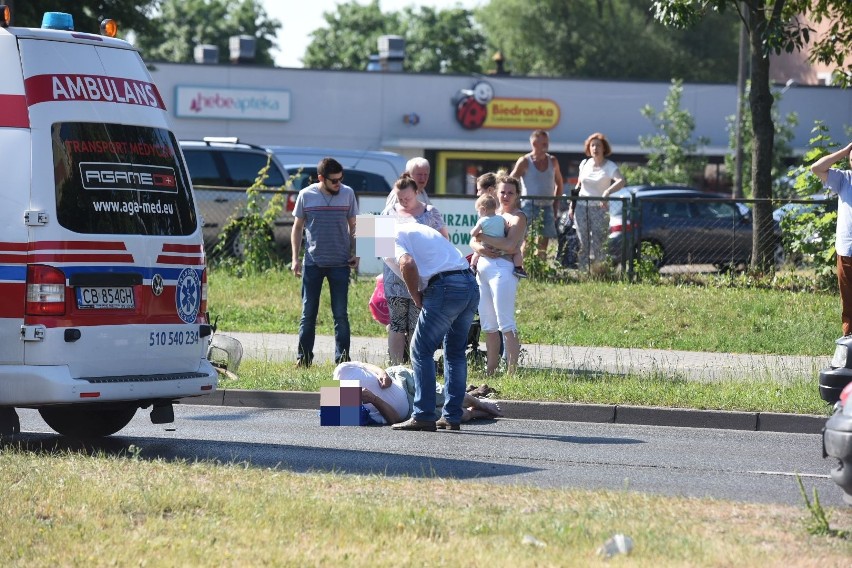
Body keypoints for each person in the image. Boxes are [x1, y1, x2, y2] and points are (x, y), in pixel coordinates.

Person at [383, 223, 479, 431]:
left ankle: (424, 414)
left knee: (420, 350)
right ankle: (452, 416)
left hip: (445, 287)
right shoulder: (415, 229)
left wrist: (416, 296)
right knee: (455, 352)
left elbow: (407, 264)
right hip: (468, 282)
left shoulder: (387, 235)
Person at [291, 157, 358, 367]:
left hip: (340, 264)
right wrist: (294, 259)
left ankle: (343, 361)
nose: (338, 184)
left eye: (341, 179)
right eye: (334, 181)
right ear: (321, 178)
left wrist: (358, 254)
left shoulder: (348, 193)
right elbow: (297, 227)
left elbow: (356, 225)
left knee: (341, 315)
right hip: (313, 263)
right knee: (308, 314)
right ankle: (304, 360)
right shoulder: (306, 195)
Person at [381, 175, 450, 365]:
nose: (403, 202)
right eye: (400, 198)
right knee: (396, 323)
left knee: (416, 324)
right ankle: (395, 367)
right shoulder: (388, 212)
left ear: (417, 193)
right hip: (395, 278)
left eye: (407, 198)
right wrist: (400, 270)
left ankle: (415, 366)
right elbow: (381, 248)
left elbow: (444, 241)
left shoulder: (430, 212)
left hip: (423, 278)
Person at [469, 174, 527, 375]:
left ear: (517, 194)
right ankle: (491, 370)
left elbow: (510, 245)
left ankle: (512, 372)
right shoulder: (490, 213)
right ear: (496, 192)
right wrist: (480, 247)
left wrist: (482, 237)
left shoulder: (517, 217)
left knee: (506, 323)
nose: (506, 196)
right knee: (488, 324)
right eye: (502, 192)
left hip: (503, 271)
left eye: (511, 192)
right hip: (483, 269)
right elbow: (472, 242)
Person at [333, 361, 504, 426]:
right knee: (456, 416)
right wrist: (373, 399)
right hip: (409, 412)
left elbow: (365, 365)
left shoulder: (342, 371)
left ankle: (481, 404)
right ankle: (477, 413)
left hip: (402, 380)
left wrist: (382, 373)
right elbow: (393, 419)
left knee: (447, 395)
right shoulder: (355, 413)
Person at [811, 141, 852, 335]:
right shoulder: (844, 179)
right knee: (848, 300)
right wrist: (844, 151)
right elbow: (816, 168)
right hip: (846, 251)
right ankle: (849, 339)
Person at [573, 132, 625, 271]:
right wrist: (572, 206)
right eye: (592, 145)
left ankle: (598, 271)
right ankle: (582, 272)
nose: (595, 148)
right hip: (581, 207)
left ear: (604, 148)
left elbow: (621, 181)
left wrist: (607, 192)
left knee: (599, 242)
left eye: (598, 145)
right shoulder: (584, 163)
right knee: (582, 241)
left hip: (599, 208)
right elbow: (578, 185)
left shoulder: (609, 166)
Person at [510, 130, 564, 260]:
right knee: (527, 239)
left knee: (544, 241)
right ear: (534, 143)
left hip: (547, 206)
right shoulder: (524, 161)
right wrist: (515, 204)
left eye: (547, 141)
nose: (546, 144)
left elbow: (560, 183)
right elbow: (510, 182)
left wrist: (556, 204)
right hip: (529, 206)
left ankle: (539, 271)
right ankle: (523, 268)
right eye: (542, 141)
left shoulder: (553, 160)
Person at [470, 192, 527, 278]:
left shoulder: (482, 221)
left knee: (476, 253)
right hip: (500, 247)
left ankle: (472, 266)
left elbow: (473, 234)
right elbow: (507, 229)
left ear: (483, 209)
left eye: (478, 211)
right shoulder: (501, 218)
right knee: (517, 251)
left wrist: (478, 234)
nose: (478, 213)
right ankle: (518, 268)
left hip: (486, 246)